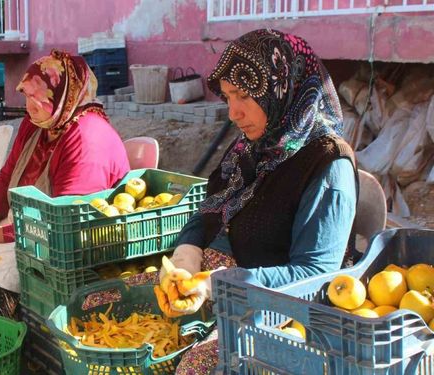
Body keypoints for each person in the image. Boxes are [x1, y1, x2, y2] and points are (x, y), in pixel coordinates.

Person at [153, 29, 358, 374]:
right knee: (130, 315)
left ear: (282, 89)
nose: (233, 112)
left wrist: (221, 285)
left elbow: (314, 275)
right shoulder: (252, 148)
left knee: (195, 366)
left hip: (279, 310)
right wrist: (186, 257)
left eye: (245, 96)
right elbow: (208, 211)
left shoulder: (326, 164)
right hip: (216, 290)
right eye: (229, 96)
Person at [0, 49, 131, 318]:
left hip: (73, 244)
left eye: (37, 99)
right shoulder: (40, 122)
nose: (28, 107)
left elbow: (62, 223)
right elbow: (6, 177)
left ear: (61, 97)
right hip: (28, 226)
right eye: (26, 97)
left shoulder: (86, 138)